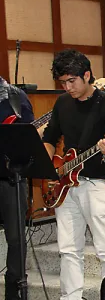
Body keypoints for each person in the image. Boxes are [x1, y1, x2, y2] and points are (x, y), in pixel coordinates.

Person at [43, 49, 105, 300]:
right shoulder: (62, 103)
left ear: (87, 75)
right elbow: (49, 138)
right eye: (63, 82)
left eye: (72, 81)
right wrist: (49, 170)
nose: (68, 87)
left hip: (97, 184)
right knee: (68, 249)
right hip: (66, 186)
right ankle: (70, 297)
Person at [0, 76, 34, 300]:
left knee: (15, 237)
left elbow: (30, 136)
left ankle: (14, 289)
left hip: (10, 176)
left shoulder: (15, 96)